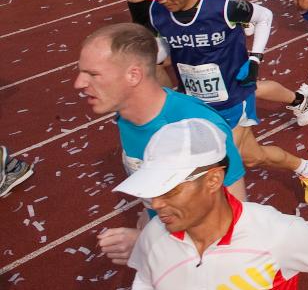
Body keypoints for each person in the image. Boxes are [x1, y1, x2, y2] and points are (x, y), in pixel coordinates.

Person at [119, 119, 308, 290]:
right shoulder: (155, 234)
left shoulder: (273, 232)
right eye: (152, 191)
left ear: (213, 180)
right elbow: (146, 279)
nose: (156, 204)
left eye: (169, 190)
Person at [144, 0, 308, 204]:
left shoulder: (223, 5)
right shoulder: (158, 12)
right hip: (195, 102)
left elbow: (264, 17)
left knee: (220, 160)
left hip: (232, 96)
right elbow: (170, 45)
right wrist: (152, 55)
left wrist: (255, 59)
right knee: (251, 157)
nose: (162, 1)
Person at [74, 22, 248, 268]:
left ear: (133, 75)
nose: (79, 83)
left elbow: (235, 224)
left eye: (93, 74)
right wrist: (151, 216)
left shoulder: (198, 129)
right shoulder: (125, 116)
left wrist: (150, 244)